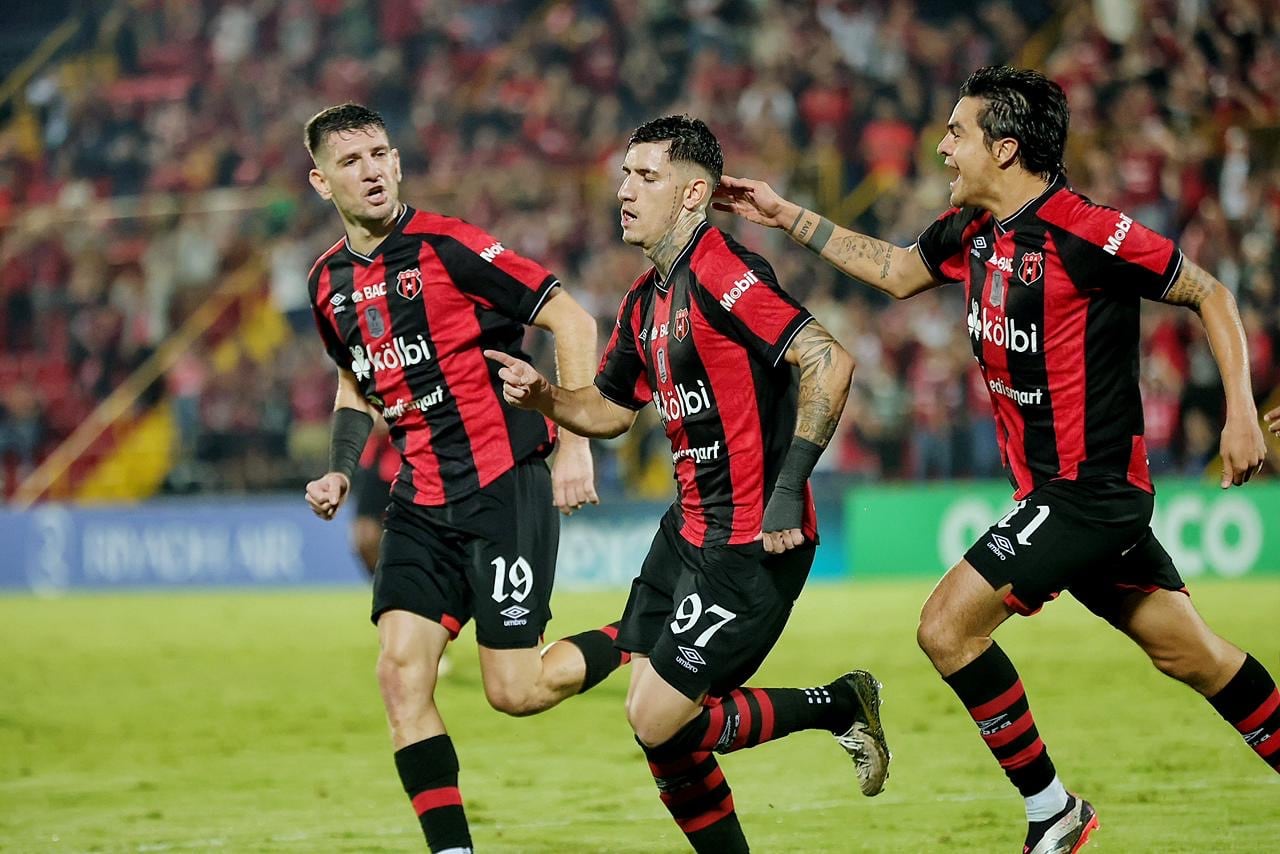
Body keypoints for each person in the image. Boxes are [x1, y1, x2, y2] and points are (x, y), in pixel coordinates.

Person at [713, 65, 1280, 854]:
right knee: (1193, 654)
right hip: (1055, 492)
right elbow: (893, 270)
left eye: (957, 132)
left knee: (946, 628)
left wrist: (1240, 413)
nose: (941, 147)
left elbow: (1210, 292)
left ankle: (1054, 812)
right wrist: (785, 215)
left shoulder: (1089, 232)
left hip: (1091, 491)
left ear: (1006, 148)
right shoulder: (972, 231)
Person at [486, 115, 890, 853]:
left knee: (653, 715)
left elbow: (828, 361)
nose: (625, 190)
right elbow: (609, 410)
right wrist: (546, 397)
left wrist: (785, 490)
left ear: (694, 192)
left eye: (646, 176)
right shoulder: (645, 301)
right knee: (662, 734)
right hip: (686, 533)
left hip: (751, 541)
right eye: (624, 175)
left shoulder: (723, 273)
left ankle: (837, 704)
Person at [301, 102, 627, 854]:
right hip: (419, 500)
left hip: (502, 486)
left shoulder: (449, 246)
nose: (373, 170)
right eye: (352, 162)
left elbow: (571, 320)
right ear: (322, 182)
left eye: (381, 153)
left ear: (399, 163)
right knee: (399, 676)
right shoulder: (327, 285)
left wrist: (576, 445)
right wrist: (341, 471)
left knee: (516, 691)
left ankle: (644, 629)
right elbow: (357, 380)